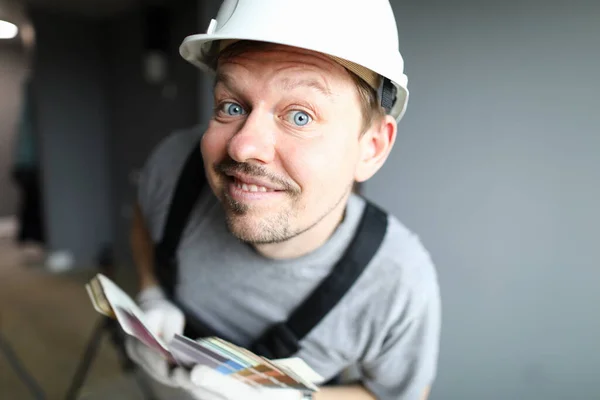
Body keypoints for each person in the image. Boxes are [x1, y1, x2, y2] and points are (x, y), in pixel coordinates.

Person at [125, 0, 441, 399]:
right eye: (232, 106)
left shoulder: (397, 282)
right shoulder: (175, 166)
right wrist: (151, 291)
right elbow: (143, 216)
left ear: (372, 148)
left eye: (300, 116)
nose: (243, 147)